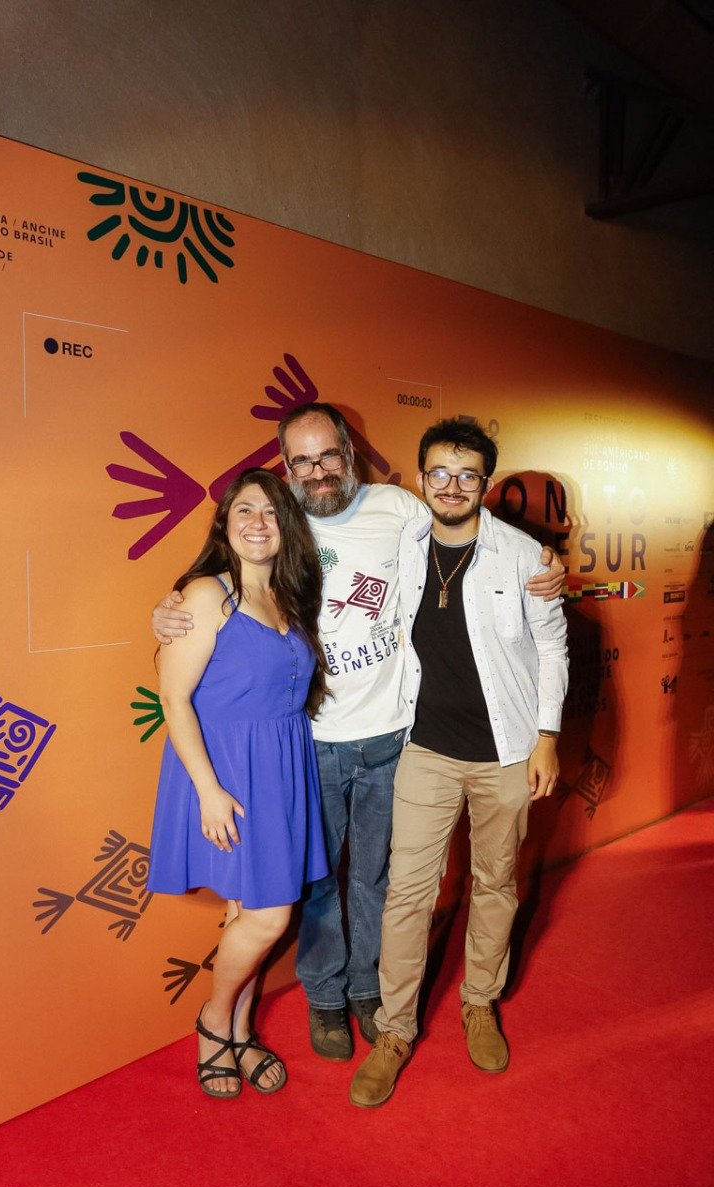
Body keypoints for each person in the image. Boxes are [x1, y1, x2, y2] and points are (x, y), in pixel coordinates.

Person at [152, 404, 565, 1062]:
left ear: (350, 453)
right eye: (302, 460)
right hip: (309, 744)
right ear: (287, 468)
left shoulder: (397, 508)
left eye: (329, 455)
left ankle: (369, 990)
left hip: (393, 736)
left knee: (376, 877)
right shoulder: (276, 521)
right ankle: (324, 998)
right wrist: (168, 608)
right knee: (317, 883)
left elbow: (465, 528)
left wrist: (539, 559)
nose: (318, 471)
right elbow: (217, 589)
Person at [349, 418, 568, 1108]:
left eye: (467, 474)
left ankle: (479, 1001)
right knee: (408, 894)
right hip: (426, 750)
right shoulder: (403, 543)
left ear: (485, 484)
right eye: (439, 473)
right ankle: (395, 1031)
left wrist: (548, 736)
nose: (451, 486)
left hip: (506, 752)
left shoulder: (525, 557)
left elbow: (553, 649)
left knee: (494, 883)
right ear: (420, 479)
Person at [148, 467, 329, 1098]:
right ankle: (214, 1020)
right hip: (226, 773)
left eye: (272, 512)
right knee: (270, 918)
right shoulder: (206, 594)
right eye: (245, 510)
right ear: (224, 522)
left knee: (246, 913)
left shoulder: (289, 594)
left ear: (288, 526)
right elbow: (173, 698)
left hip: (281, 769)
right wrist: (208, 790)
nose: (259, 522)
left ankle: (241, 1031)